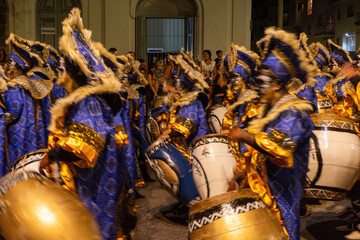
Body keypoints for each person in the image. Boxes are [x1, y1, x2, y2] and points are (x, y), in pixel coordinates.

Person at [39, 8, 129, 240]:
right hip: (94, 183)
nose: (59, 75)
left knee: (93, 230)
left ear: (74, 74)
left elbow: (83, 144)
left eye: (63, 69)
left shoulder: (89, 101)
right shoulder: (86, 99)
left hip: (94, 186)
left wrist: (53, 154)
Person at [227, 27, 315, 240]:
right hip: (264, 185)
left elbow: (281, 147)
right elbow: (260, 148)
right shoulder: (269, 108)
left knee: (283, 229)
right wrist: (244, 173)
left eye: (262, 82)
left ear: (276, 84)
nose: (257, 88)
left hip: (282, 188)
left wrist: (243, 135)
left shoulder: (294, 110)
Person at [4, 33, 56, 169]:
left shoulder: (13, 87)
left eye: (10, 63)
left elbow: (9, 115)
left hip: (18, 139)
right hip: (36, 138)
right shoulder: (36, 84)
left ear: (14, 66)